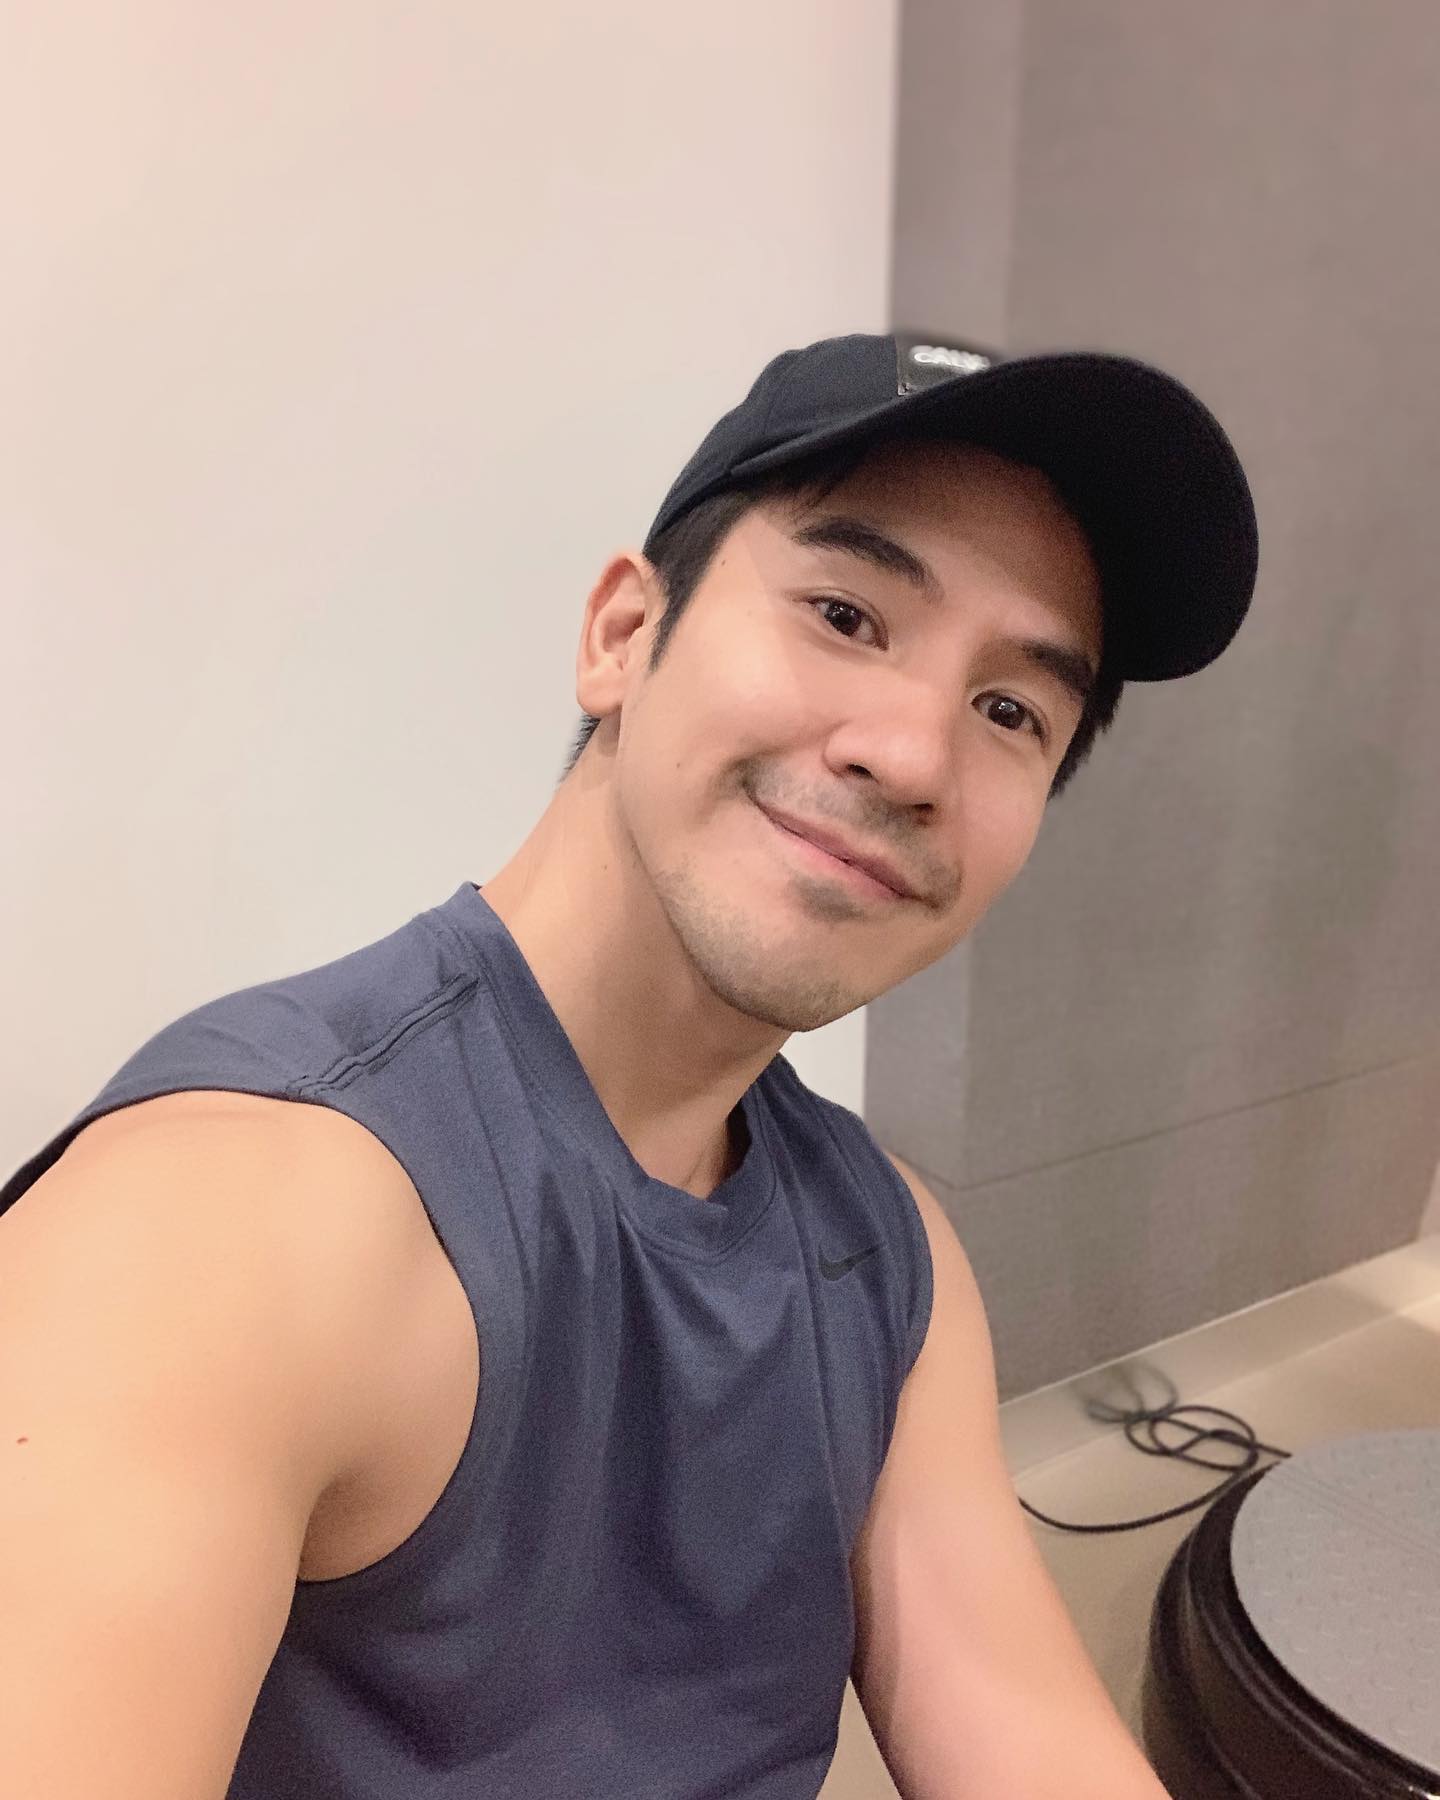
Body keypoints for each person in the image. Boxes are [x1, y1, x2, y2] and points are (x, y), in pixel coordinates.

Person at [0, 330, 1257, 1799]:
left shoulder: (887, 1257)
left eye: (1010, 712)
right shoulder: (234, 1215)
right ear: (621, 635)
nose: (915, 754)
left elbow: (1025, 1734)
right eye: (847, 613)